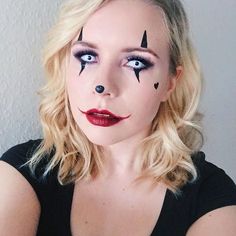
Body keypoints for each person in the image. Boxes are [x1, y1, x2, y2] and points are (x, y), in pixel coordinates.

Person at [0, 0, 236, 235]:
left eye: (136, 62)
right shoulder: (22, 172)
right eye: (87, 57)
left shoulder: (212, 197)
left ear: (170, 82)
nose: (103, 85)